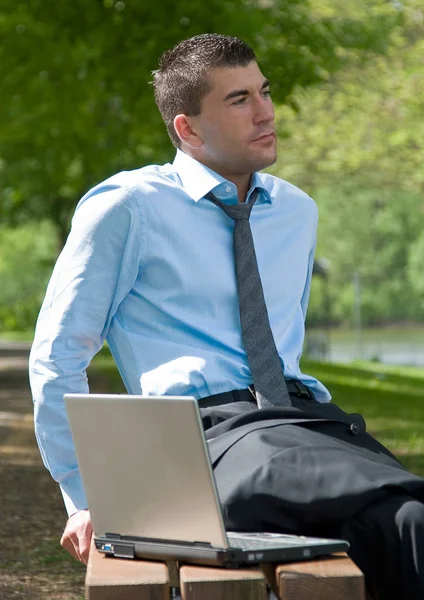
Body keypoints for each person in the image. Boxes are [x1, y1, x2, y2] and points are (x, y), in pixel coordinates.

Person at [29, 33, 424, 599]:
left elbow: (283, 346)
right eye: (239, 100)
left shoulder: (296, 211)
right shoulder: (128, 208)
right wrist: (87, 497)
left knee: (404, 522)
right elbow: (57, 355)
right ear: (187, 129)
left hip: (301, 424)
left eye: (264, 91)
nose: (266, 112)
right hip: (199, 439)